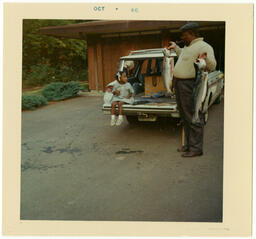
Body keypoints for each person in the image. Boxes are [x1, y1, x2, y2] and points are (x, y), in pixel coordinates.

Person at [168, 22, 217, 157]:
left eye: (184, 35)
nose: (182, 37)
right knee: (184, 116)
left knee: (193, 115)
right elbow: (183, 55)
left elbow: (212, 66)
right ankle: (189, 144)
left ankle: (196, 148)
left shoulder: (204, 46)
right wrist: (176, 48)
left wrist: (205, 59)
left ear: (191, 34)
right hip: (180, 85)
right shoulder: (188, 47)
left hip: (191, 85)